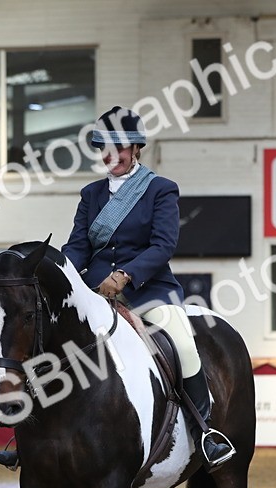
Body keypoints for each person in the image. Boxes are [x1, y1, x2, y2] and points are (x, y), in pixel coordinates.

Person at [56, 106, 233, 468]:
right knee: (55, 341)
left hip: (149, 291)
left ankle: (205, 433)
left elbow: (162, 245)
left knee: (183, 341)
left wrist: (125, 275)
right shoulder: (91, 194)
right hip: (97, 293)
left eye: (118, 148)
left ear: (136, 148)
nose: (111, 156)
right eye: (104, 148)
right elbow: (77, 246)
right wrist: (62, 273)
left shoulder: (160, 190)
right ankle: (32, 435)